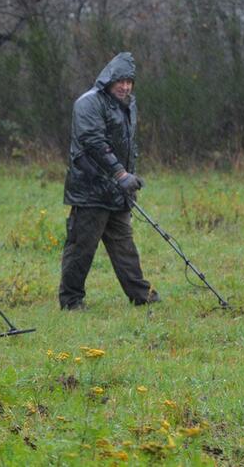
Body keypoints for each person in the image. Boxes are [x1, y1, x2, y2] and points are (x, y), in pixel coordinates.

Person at [59, 51, 159, 310]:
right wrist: (120, 174)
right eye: (120, 81)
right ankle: (71, 300)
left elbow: (126, 144)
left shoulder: (128, 104)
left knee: (124, 245)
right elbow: (93, 142)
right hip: (90, 189)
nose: (125, 86)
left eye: (129, 81)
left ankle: (141, 295)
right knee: (82, 247)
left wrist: (128, 178)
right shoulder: (88, 103)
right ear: (108, 79)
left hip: (117, 192)